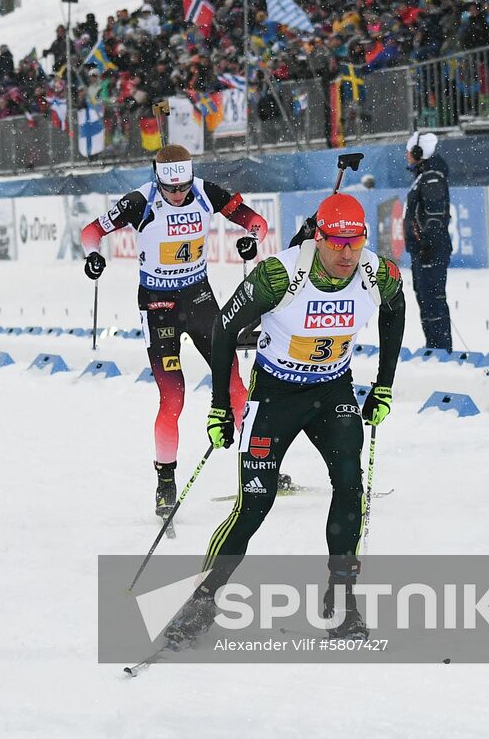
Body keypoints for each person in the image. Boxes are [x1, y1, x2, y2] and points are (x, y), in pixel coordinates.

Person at [168, 193, 405, 643]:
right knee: (253, 505)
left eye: (354, 242)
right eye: (336, 242)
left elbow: (396, 312)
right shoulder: (280, 275)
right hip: (275, 394)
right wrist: (220, 404)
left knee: (350, 487)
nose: (346, 253)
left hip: (332, 389)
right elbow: (223, 328)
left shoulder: (379, 273)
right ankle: (204, 598)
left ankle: (341, 596)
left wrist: (384, 384)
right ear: (319, 236)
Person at [79, 144, 269, 520]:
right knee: (173, 398)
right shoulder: (140, 201)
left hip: (199, 299)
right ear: (159, 180)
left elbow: (256, 222)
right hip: (158, 305)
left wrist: (251, 240)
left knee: (235, 386)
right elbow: (90, 231)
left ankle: (258, 466)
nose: (180, 195)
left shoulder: (205, 191)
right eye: (173, 189)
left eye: (183, 187)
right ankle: (165, 483)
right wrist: (93, 256)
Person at [403, 131, 452, 351]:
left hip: (430, 250)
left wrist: (428, 245)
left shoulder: (431, 177)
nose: (406, 155)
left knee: (433, 299)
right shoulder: (425, 176)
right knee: (426, 298)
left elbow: (434, 216)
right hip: (424, 250)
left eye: (409, 150)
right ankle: (434, 346)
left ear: (418, 152)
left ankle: (440, 347)